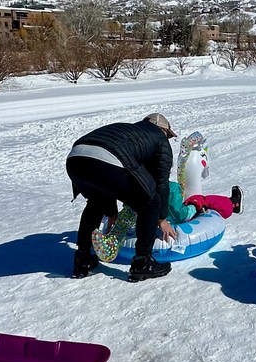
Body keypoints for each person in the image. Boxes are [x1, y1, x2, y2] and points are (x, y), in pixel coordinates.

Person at [66, 112, 179, 282]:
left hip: (76, 158)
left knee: (96, 202)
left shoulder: (129, 131)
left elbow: (106, 180)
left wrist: (111, 213)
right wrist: (161, 219)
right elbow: (161, 183)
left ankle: (82, 259)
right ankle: (142, 263)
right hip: (107, 158)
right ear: (164, 130)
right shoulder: (160, 139)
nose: (167, 138)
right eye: (168, 135)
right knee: (151, 202)